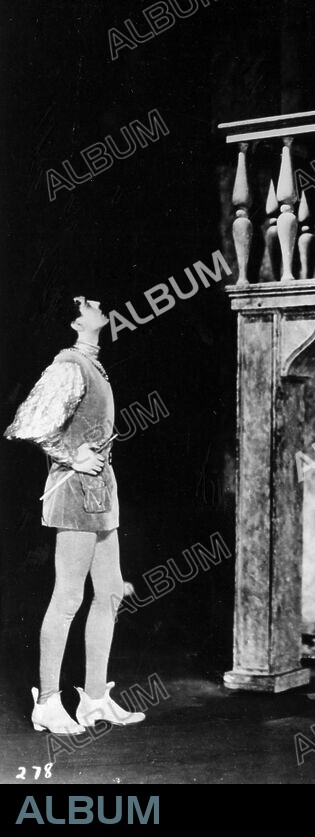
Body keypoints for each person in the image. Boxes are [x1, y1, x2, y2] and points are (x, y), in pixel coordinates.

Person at [4, 296, 144, 734]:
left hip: (102, 490)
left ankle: (95, 698)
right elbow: (26, 423)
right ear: (72, 321)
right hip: (75, 491)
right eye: (87, 303)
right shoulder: (68, 364)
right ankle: (47, 702)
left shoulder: (93, 364)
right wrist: (69, 456)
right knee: (69, 597)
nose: (98, 304)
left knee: (109, 593)